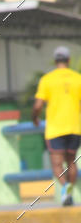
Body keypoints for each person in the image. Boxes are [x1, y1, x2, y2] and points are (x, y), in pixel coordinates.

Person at [33, 46, 81, 206]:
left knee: (57, 165)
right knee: (71, 162)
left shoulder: (47, 80)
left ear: (55, 61)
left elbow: (38, 105)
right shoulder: (77, 78)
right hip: (75, 127)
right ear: (68, 60)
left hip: (55, 129)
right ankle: (69, 191)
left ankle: (66, 188)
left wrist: (35, 118)